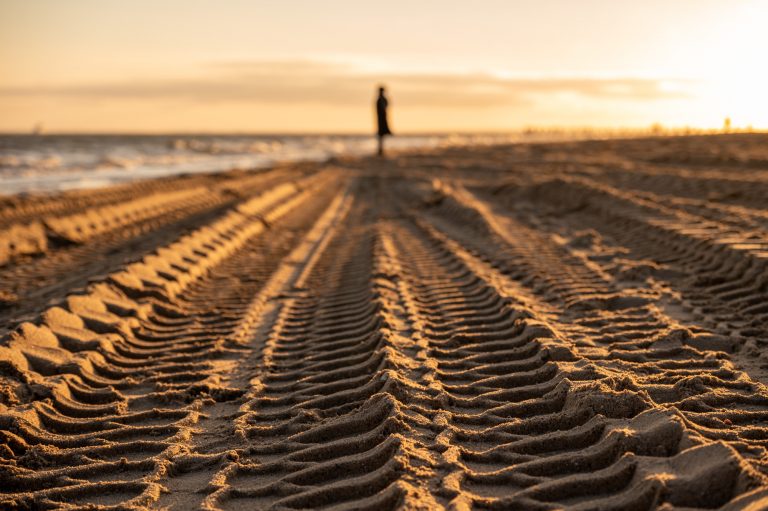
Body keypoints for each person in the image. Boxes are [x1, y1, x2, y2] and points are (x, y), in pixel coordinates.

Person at [375, 86, 392, 156]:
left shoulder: (381, 99)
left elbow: (387, 105)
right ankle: (380, 150)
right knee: (381, 135)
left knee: (381, 135)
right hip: (380, 119)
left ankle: (381, 150)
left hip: (382, 119)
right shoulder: (379, 100)